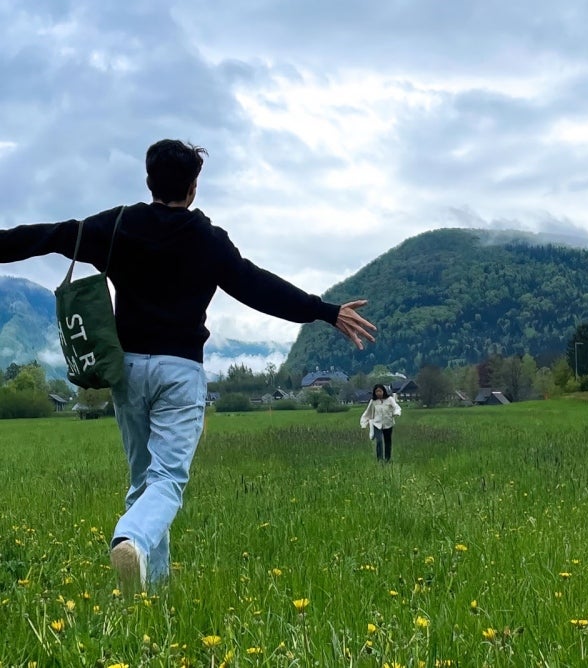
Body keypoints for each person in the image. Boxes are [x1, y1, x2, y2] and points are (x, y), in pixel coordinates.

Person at [0, 139, 376, 592]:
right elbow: (259, 287)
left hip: (128, 370)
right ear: (193, 188)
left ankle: (149, 589)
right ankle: (132, 539)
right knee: (168, 481)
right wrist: (325, 310)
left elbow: (47, 235)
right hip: (180, 374)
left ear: (148, 181)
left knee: (144, 482)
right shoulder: (208, 240)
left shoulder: (118, 225)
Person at [360, 384, 401, 462]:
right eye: (376, 391)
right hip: (377, 424)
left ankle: (387, 459)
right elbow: (368, 412)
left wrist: (396, 412)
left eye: (380, 391)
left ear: (383, 391)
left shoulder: (390, 399)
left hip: (388, 424)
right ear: (374, 393)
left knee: (387, 441)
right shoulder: (373, 401)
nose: (378, 393)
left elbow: (396, 407)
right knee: (379, 441)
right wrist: (364, 423)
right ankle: (380, 459)